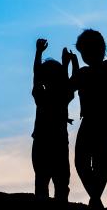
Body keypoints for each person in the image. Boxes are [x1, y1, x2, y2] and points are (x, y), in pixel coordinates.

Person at [72, 0, 107, 208]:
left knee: (99, 160)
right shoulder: (85, 72)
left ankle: (95, 198)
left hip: (105, 120)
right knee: (84, 161)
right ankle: (95, 196)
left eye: (85, 51)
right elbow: (68, 88)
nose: (85, 55)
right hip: (92, 122)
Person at [31, 38, 76, 202]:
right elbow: (69, 83)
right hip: (59, 144)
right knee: (62, 184)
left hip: (42, 142)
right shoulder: (63, 97)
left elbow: (37, 75)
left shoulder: (41, 96)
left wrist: (38, 52)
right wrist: (67, 64)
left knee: (41, 183)